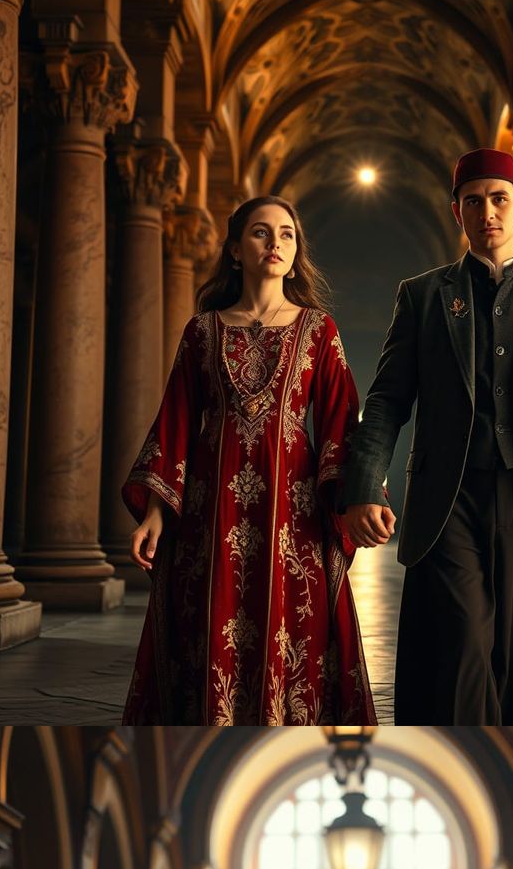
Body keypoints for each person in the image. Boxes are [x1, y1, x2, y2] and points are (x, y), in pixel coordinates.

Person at [337, 149, 513, 725]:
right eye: (473, 201)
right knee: (460, 650)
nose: (487, 211)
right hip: (450, 500)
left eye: (498, 199)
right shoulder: (422, 296)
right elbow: (387, 400)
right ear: (456, 212)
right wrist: (364, 485)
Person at [121, 194, 374, 724]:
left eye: (286, 234)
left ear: (296, 252)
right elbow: (176, 423)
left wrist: (358, 498)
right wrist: (155, 513)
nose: (275, 243)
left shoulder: (318, 330)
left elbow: (340, 423)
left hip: (293, 513)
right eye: (261, 232)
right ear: (236, 249)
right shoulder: (202, 331)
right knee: (211, 619)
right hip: (211, 510)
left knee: (292, 626)